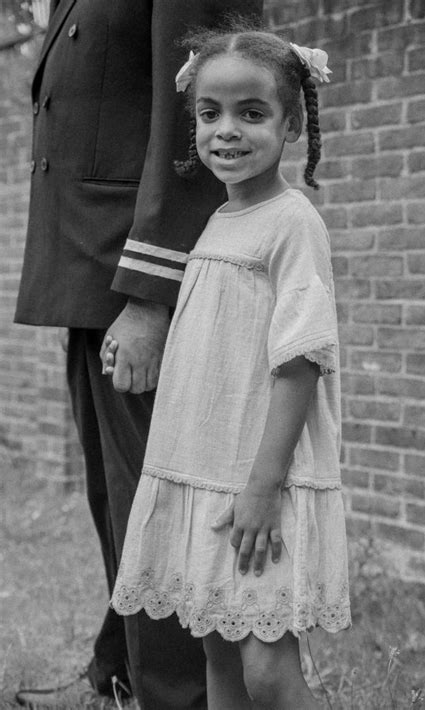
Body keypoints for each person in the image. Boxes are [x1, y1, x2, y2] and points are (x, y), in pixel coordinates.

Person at [14, 2, 263, 709]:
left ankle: (179, 697)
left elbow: (202, 108)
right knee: (119, 500)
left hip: (137, 273)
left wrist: (153, 293)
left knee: (159, 506)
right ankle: (120, 668)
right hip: (91, 266)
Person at [108, 25, 351, 710]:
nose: (227, 131)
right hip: (205, 469)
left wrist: (263, 487)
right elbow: (217, 342)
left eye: (252, 113)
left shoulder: (291, 223)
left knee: (269, 673)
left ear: (293, 121)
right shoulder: (218, 222)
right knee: (218, 656)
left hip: (256, 482)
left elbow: (301, 361)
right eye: (210, 113)